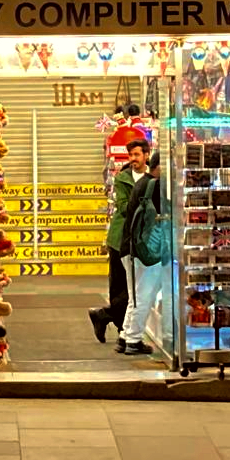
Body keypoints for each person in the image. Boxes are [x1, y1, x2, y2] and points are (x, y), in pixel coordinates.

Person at [90, 138, 148, 347]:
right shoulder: (123, 178)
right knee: (120, 287)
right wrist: (147, 209)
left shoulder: (152, 177)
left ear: (146, 155)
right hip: (119, 238)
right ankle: (124, 332)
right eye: (130, 155)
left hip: (141, 240)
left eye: (137, 155)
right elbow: (124, 206)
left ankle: (104, 315)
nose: (133, 159)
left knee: (136, 288)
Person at [119, 149, 169, 356]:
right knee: (145, 295)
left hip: (130, 247)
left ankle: (125, 336)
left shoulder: (142, 183)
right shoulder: (155, 186)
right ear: (161, 167)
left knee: (135, 296)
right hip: (145, 251)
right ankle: (133, 340)